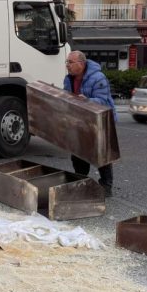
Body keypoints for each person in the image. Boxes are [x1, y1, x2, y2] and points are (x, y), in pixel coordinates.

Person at [63, 50, 116, 195]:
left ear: (81, 63)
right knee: (78, 152)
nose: (67, 65)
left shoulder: (98, 78)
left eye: (70, 62)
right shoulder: (68, 79)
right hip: (80, 120)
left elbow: (103, 101)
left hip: (100, 120)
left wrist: (85, 100)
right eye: (67, 62)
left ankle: (106, 186)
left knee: (101, 154)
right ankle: (81, 181)